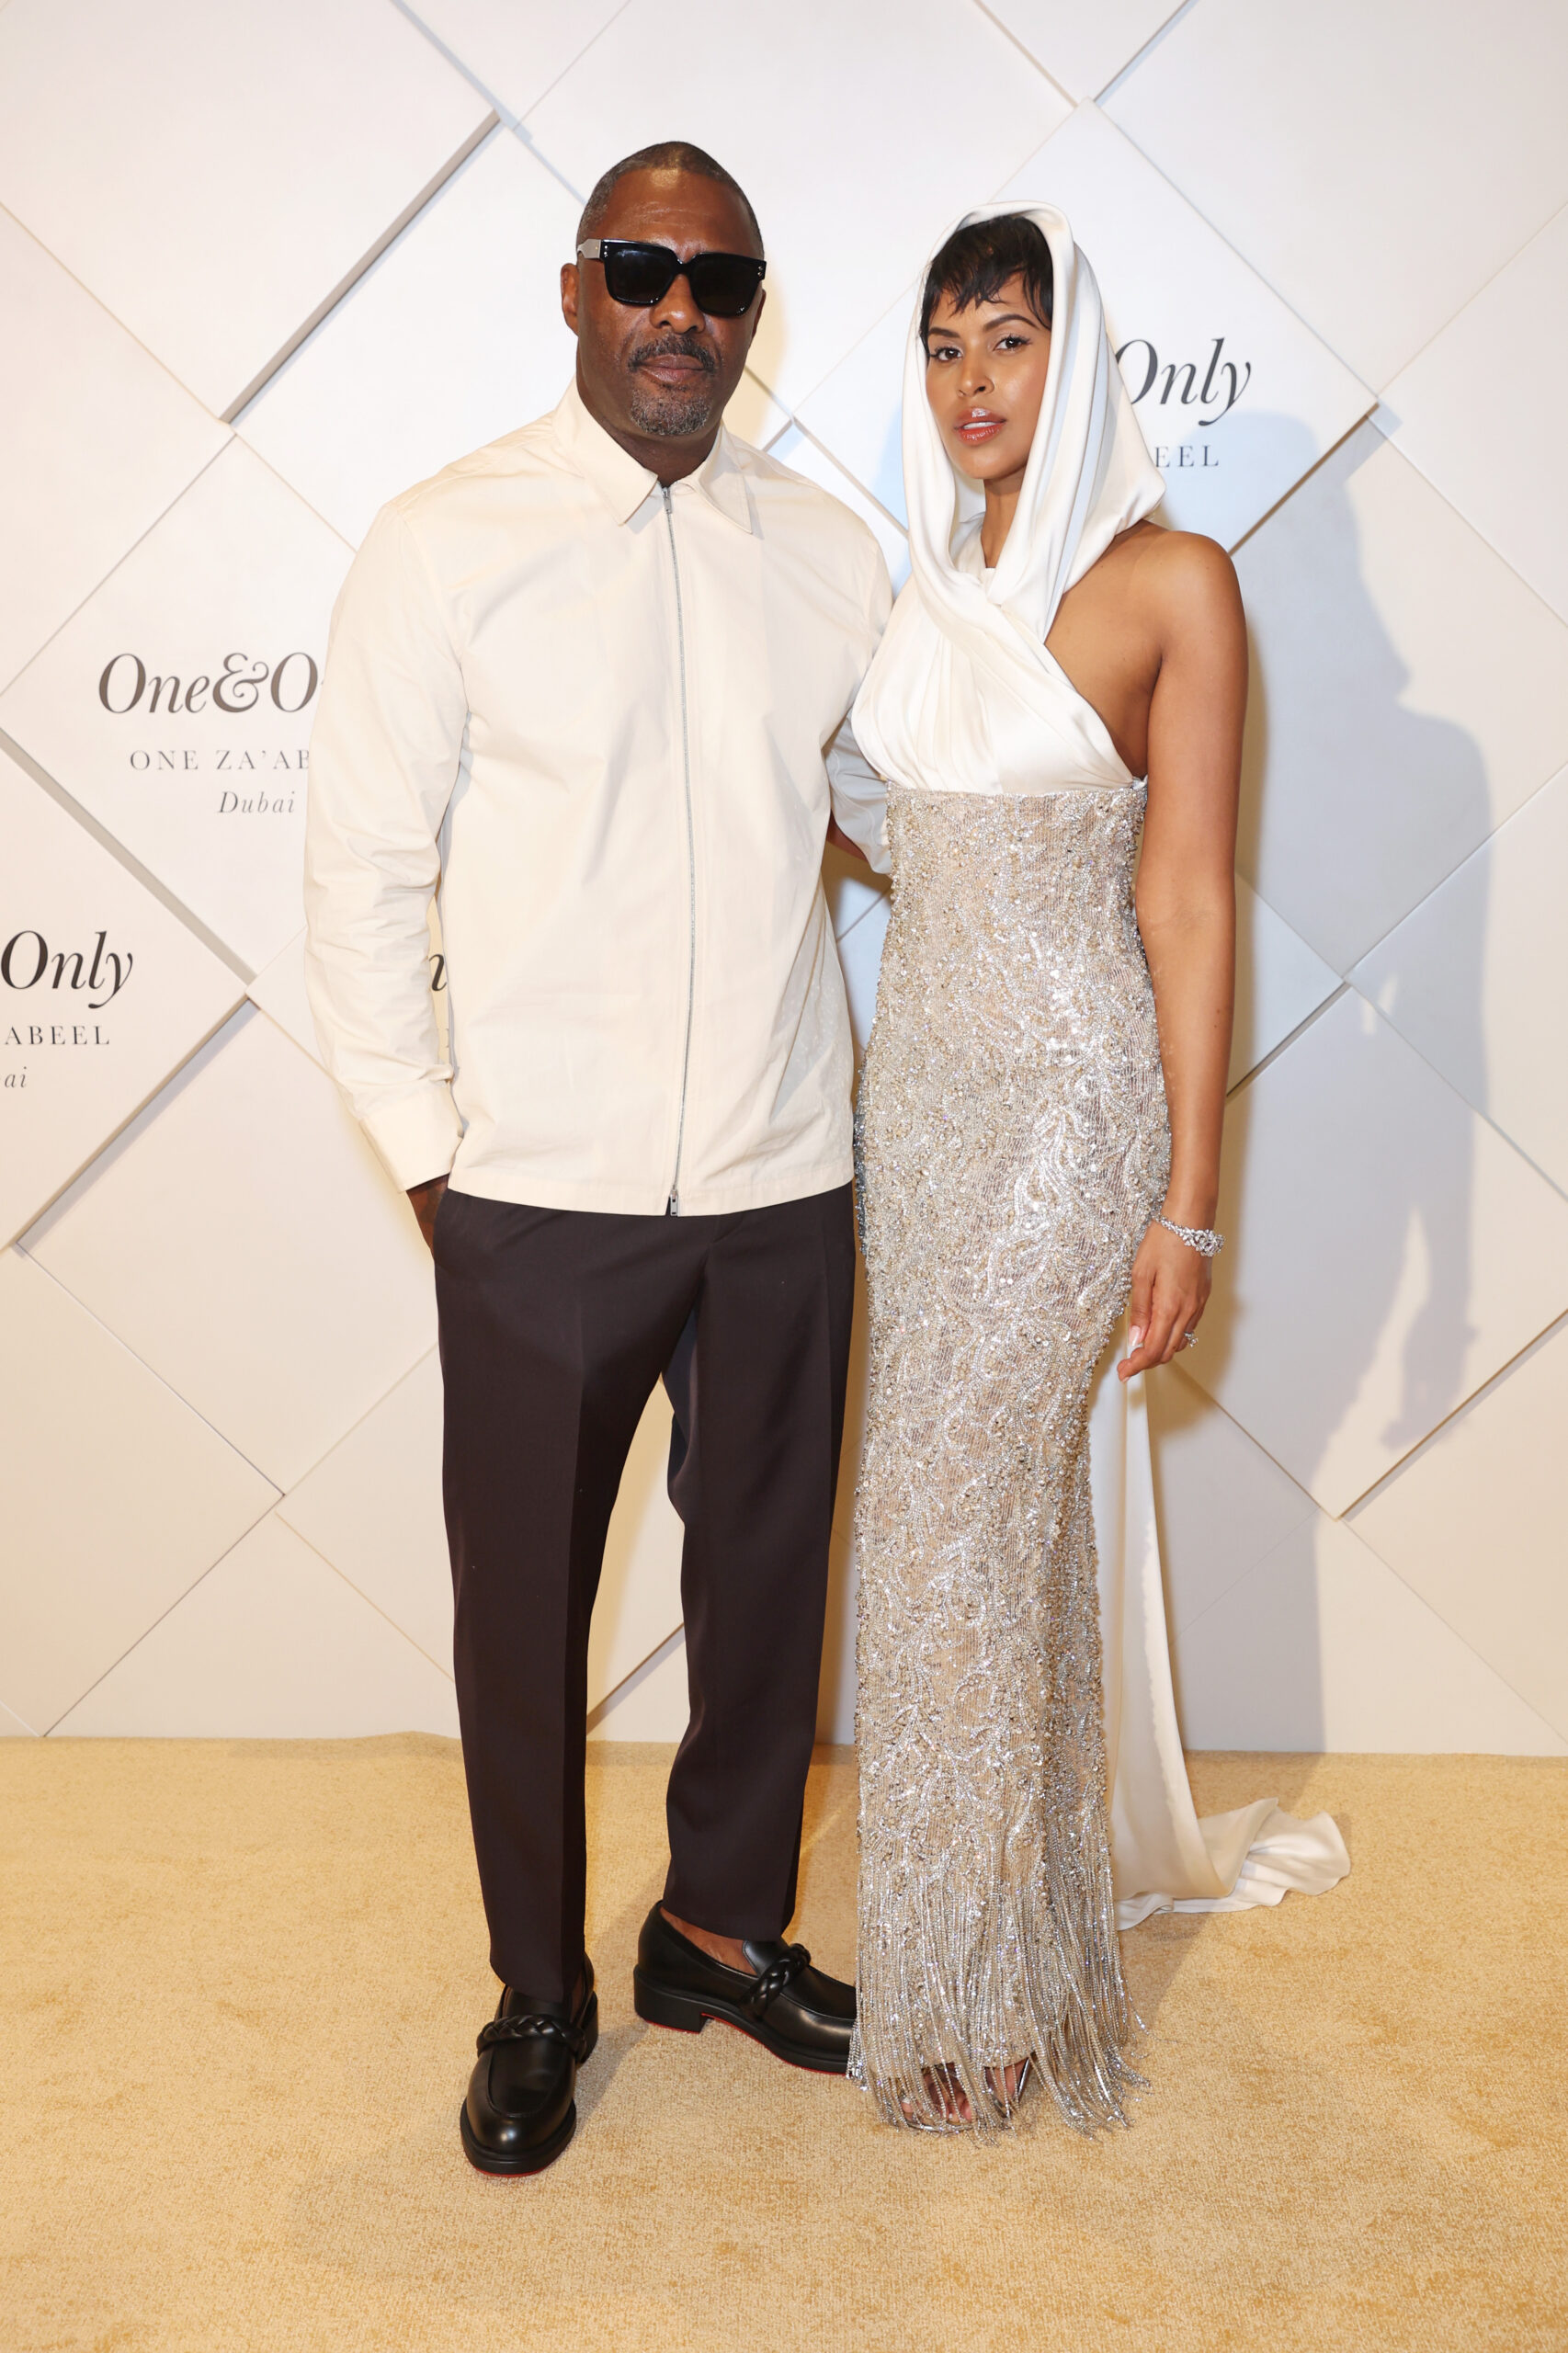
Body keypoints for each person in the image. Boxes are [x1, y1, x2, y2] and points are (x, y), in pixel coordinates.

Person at [303, 142, 892, 2175]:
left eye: (719, 282)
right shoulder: (442, 541)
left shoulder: (829, 554)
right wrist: (433, 1163)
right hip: (535, 1195)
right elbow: (362, 874)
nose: (679, 312)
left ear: (753, 316)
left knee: (766, 1587)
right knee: (523, 1614)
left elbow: (905, 802)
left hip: (782, 1174)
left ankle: (716, 1931)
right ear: (575, 288)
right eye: (642, 268)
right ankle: (537, 1988)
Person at [847, 205, 1346, 2137]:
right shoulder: (918, 591)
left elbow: (1190, 898)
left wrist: (1184, 1200)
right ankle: (1015, 1949)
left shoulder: (1174, 584)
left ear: (1079, 361)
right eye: (943, 345)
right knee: (981, 1541)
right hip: (919, 1116)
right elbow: (898, 832)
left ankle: (969, 1995)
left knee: (947, 1539)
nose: (972, 380)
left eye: (1008, 337)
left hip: (1070, 1118)